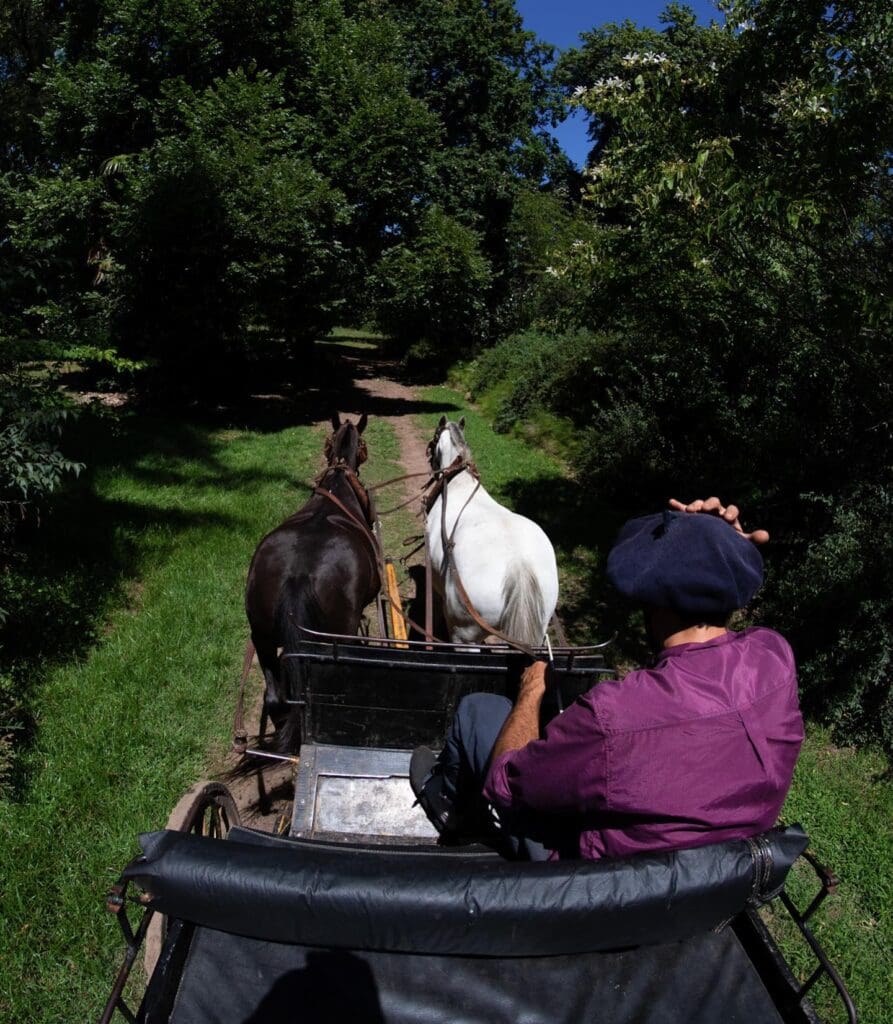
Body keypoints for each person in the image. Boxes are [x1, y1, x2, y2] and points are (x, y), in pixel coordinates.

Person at [409, 497, 804, 860]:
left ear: (650, 603)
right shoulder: (774, 659)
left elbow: (508, 783)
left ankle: (446, 805)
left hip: (594, 883)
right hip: (708, 878)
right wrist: (722, 548)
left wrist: (531, 692)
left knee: (481, 708)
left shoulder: (613, 717)